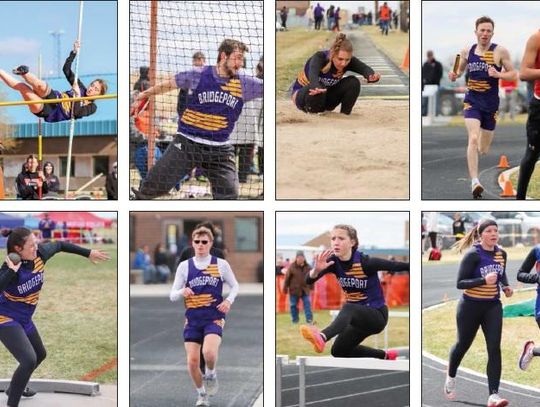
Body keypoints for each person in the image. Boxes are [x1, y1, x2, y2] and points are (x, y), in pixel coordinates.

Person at [131, 39, 263, 200]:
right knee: (152, 186)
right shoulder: (198, 74)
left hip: (220, 149)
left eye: (242, 59)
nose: (240, 63)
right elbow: (169, 84)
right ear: (223, 56)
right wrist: (144, 95)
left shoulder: (245, 82)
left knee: (230, 194)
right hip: (187, 143)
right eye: (237, 58)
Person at [0, 227, 110, 407]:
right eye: (31, 246)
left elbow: (59, 245)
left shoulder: (40, 255)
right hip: (5, 317)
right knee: (28, 360)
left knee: (40, 354)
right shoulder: (9, 267)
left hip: (24, 318)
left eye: (35, 243)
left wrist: (88, 252)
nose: (36, 248)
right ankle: (12, 403)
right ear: (18, 249)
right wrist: (11, 271)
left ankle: (13, 388)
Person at [299, 224, 409, 359]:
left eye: (341, 238)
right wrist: (316, 271)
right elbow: (308, 281)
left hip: (377, 316)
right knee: (339, 351)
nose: (336, 242)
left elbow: (398, 266)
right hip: (357, 319)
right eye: (333, 239)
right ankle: (385, 355)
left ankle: (322, 337)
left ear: (352, 242)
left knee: (349, 307)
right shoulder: (332, 262)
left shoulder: (366, 263)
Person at [444, 219, 512, 407]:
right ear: (481, 234)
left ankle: (493, 395)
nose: (493, 234)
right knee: (462, 344)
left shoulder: (501, 253)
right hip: (470, 306)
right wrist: (483, 280)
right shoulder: (473, 254)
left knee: (494, 348)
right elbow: (460, 283)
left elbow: (501, 273)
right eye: (489, 230)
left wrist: (505, 286)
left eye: (496, 230)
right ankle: (451, 374)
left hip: (492, 306)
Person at [170, 226, 239, 407]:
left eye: (204, 242)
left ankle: (211, 373)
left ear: (210, 244)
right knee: (192, 362)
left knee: (208, 352)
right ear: (192, 243)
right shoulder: (185, 266)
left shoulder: (221, 264)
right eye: (197, 242)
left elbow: (235, 286)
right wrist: (181, 291)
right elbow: (172, 294)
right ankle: (202, 395)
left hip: (213, 316)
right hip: (193, 318)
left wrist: (229, 301)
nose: (200, 245)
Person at [449, 16, 517, 199]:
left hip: (491, 105)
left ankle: (480, 147)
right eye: (482, 30)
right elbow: (459, 69)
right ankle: (475, 182)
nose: (485, 33)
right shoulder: (467, 50)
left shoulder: (500, 52)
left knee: (483, 148)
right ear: (476, 32)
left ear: (492, 33)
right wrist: (454, 74)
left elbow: (514, 75)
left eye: (488, 31)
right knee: (472, 138)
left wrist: (499, 74)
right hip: (472, 101)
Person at [0, 41, 107, 123]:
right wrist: (74, 53)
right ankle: (23, 72)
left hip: (49, 112)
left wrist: (77, 95)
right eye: (92, 85)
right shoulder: (81, 87)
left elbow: (77, 112)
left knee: (23, 88)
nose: (91, 88)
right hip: (54, 97)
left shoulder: (92, 107)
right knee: (41, 85)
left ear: (99, 94)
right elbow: (66, 70)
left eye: (96, 89)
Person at [291, 33, 380, 116]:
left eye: (347, 60)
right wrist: (316, 87)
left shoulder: (349, 61)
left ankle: (344, 116)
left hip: (325, 98)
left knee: (353, 82)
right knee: (320, 87)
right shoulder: (319, 57)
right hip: (303, 96)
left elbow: (364, 69)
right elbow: (313, 75)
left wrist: (371, 76)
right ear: (333, 54)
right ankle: (313, 116)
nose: (343, 63)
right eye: (340, 59)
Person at [516, 30, 540, 200]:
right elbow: (523, 73)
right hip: (539, 106)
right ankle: (520, 200)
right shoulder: (536, 38)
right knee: (532, 155)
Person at [516, 244, 540, 371]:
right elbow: (520, 274)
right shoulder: (537, 250)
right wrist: (537, 278)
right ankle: (532, 351)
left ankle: (532, 351)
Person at [283, 251, 313, 324]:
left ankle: (309, 320)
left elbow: (312, 277)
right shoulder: (291, 267)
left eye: (302, 257)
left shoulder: (308, 267)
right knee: (293, 306)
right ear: (296, 258)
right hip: (294, 290)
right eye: (299, 257)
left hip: (305, 289)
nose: (300, 259)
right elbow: (287, 278)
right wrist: (285, 288)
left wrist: (312, 287)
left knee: (307, 304)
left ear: (304, 258)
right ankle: (295, 320)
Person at [422, 50, 443, 116]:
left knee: (435, 100)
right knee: (425, 100)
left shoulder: (437, 64)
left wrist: (436, 81)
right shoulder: (425, 64)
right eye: (428, 56)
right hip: (426, 86)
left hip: (435, 85)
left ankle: (436, 113)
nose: (429, 57)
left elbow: (440, 74)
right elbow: (423, 74)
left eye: (430, 56)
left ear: (432, 56)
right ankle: (424, 113)